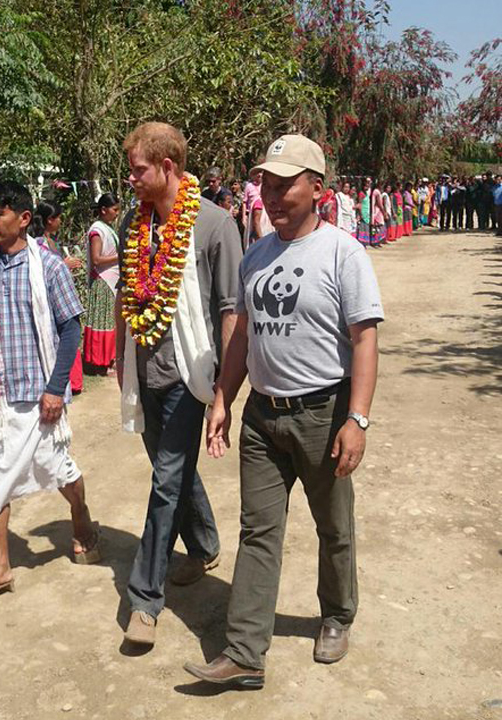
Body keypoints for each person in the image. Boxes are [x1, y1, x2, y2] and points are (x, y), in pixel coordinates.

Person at [183, 133, 384, 689]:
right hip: (262, 420)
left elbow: (363, 340)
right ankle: (246, 652)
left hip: (323, 413)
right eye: (266, 184)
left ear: (316, 189)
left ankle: (337, 615)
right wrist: (224, 396)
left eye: (284, 184)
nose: (270, 195)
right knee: (258, 531)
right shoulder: (255, 257)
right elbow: (243, 337)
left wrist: (357, 418)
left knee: (333, 526)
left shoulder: (344, 253)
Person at [115, 122, 242, 646]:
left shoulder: (214, 224)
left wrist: (223, 395)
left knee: (166, 479)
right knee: (173, 471)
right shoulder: (133, 222)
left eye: (138, 170)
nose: (131, 180)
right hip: (145, 371)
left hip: (194, 372)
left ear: (168, 167)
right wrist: (121, 364)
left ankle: (145, 598)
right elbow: (128, 291)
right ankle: (206, 544)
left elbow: (231, 310)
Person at [0, 182, 100, 611]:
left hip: (40, 400)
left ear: (24, 219)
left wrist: (56, 389)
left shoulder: (49, 268)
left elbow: (71, 327)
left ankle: (80, 517)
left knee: (59, 468)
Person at [30, 200, 84, 393]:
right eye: (59, 217)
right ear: (50, 220)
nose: (61, 221)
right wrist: (64, 265)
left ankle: (73, 381)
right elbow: (41, 270)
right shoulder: (38, 243)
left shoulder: (52, 242)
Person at [83, 193, 120, 373]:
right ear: (103, 210)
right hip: (102, 281)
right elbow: (97, 259)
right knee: (102, 322)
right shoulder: (97, 230)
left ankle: (109, 359)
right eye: (114, 209)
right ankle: (100, 362)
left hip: (110, 281)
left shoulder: (106, 227)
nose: (117, 213)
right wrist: (120, 256)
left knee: (109, 321)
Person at [357, 177, 385, 247]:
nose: (367, 186)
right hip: (363, 212)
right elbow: (360, 204)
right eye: (366, 185)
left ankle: (366, 242)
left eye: (368, 184)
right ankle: (362, 243)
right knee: (363, 229)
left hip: (367, 212)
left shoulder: (367, 193)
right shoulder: (361, 193)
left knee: (366, 228)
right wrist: (360, 214)